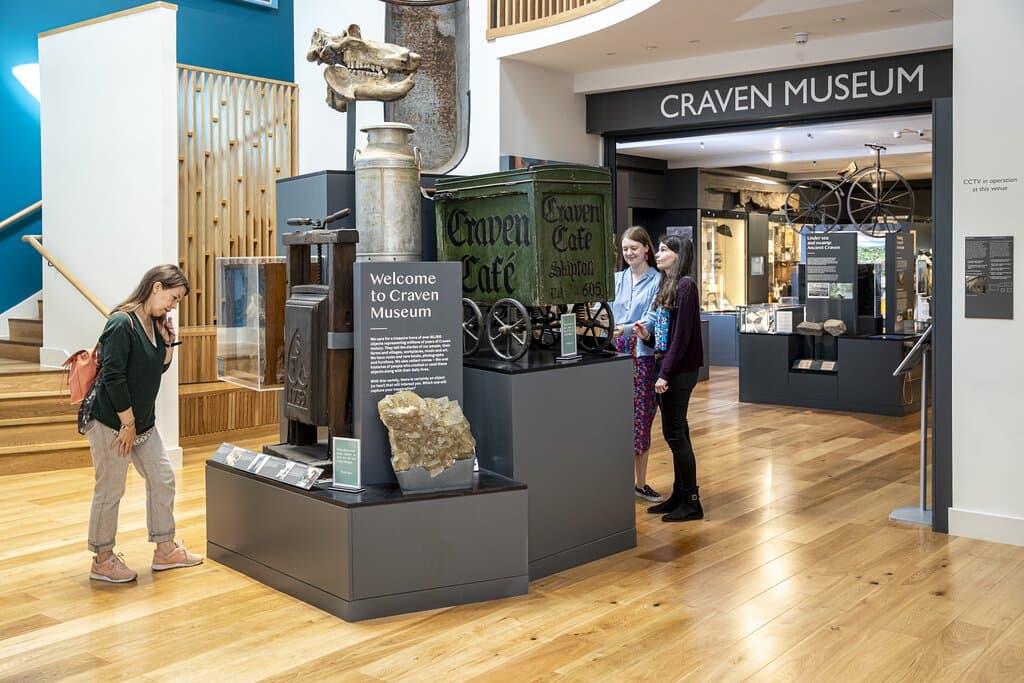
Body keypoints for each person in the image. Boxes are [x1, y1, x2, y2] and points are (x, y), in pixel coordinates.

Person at [84, 264, 204, 583]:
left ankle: (165, 550)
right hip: (112, 420)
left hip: (141, 423)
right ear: (156, 287)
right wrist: (127, 423)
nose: (173, 306)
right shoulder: (122, 323)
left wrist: (167, 345)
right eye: (173, 298)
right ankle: (103, 558)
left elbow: (154, 372)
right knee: (111, 489)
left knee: (162, 477)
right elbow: (113, 376)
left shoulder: (154, 324)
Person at [634, 236, 705, 522]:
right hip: (667, 366)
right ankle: (679, 494)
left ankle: (691, 501)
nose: (659, 254)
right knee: (677, 433)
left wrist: (664, 374)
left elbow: (682, 337)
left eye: (664, 250)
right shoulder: (669, 285)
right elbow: (665, 334)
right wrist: (647, 336)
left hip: (678, 371)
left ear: (679, 255)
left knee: (676, 434)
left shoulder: (686, 286)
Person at [609, 226, 663, 502]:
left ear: (646, 249)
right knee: (612, 417)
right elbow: (601, 309)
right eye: (625, 248)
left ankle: (639, 483)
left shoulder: (658, 280)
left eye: (634, 248)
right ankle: (613, 479)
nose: (629, 253)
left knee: (641, 417)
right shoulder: (616, 279)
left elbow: (653, 317)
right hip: (613, 354)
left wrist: (625, 329)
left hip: (641, 355)